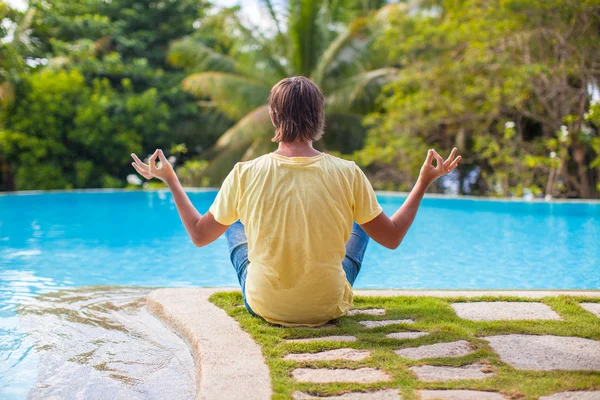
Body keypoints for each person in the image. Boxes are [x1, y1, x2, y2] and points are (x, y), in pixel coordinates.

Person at [131, 76, 461, 327]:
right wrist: (423, 182)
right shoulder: (348, 172)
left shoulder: (245, 173)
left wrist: (171, 180)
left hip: (266, 305)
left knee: (234, 219)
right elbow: (391, 237)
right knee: (363, 219)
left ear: (274, 117)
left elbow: (200, 236)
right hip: (327, 305)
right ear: (319, 117)